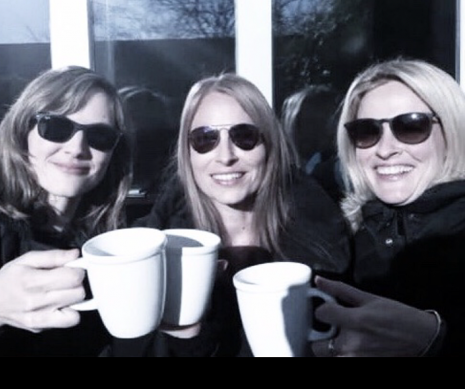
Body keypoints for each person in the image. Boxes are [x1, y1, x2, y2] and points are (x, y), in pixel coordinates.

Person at [111, 73, 351, 357]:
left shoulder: (322, 238)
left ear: (270, 146)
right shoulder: (150, 253)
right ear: (188, 154)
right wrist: (189, 338)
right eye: (205, 139)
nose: (225, 156)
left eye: (244, 136)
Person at [0, 66, 132, 357]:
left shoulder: (113, 240)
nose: (76, 148)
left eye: (99, 136)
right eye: (55, 127)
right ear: (22, 133)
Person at [313, 59, 465, 357]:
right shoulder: (342, 235)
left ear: (451, 130)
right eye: (366, 131)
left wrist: (436, 339)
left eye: (410, 126)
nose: (384, 150)